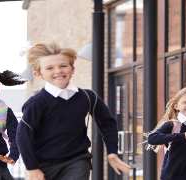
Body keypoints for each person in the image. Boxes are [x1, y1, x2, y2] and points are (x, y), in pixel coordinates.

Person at [17, 43, 131, 180]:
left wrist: (112, 152)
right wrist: (32, 168)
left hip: (77, 161)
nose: (58, 71)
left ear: (72, 69)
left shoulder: (87, 97)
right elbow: (23, 135)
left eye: (63, 66)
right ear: (38, 73)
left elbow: (107, 123)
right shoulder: (36, 103)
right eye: (49, 68)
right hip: (43, 165)